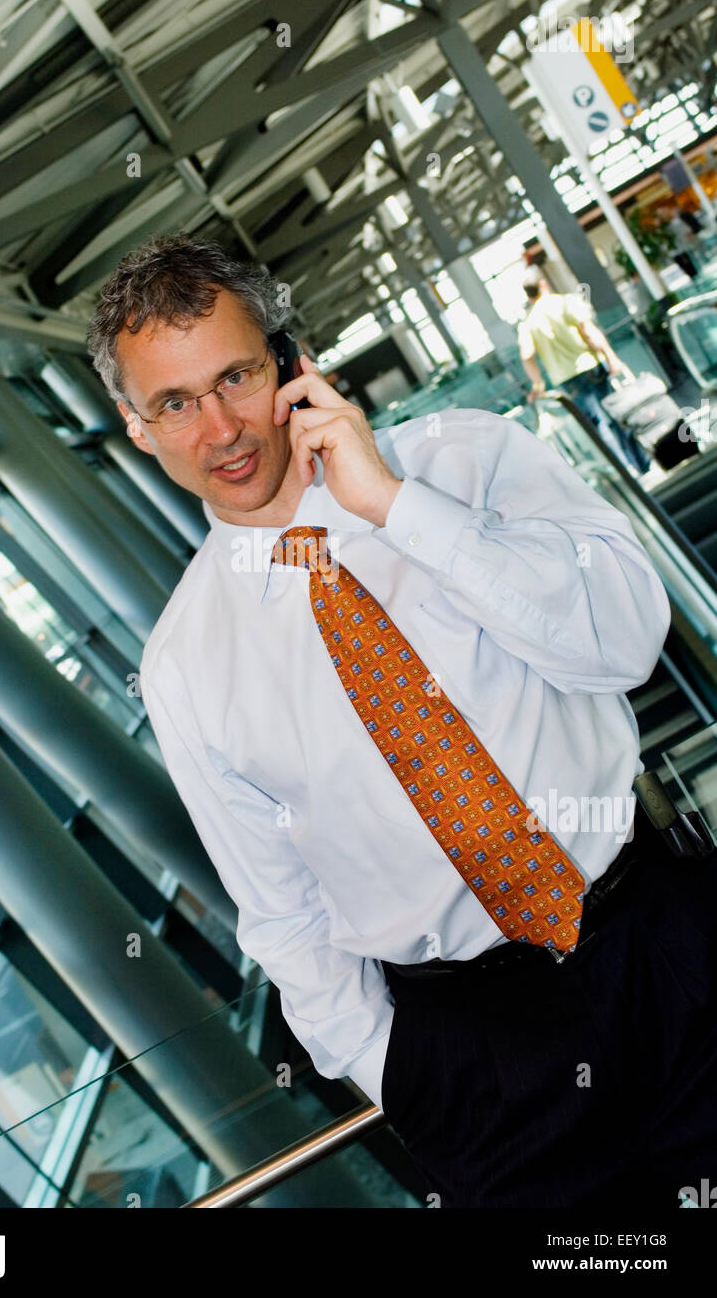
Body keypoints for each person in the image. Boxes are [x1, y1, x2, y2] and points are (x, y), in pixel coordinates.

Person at [86, 234, 717, 1209]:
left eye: (235, 376)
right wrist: (402, 1075)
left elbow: (625, 642)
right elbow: (283, 913)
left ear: (290, 363)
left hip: (660, 942)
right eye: (175, 403)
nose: (219, 429)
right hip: (478, 1064)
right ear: (136, 427)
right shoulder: (183, 666)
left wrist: (394, 507)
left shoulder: (464, 458)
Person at [517, 271, 651, 474]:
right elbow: (589, 332)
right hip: (591, 366)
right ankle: (642, 464)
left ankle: (626, 472)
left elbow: (527, 355)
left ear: (528, 295)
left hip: (567, 379)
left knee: (596, 426)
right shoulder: (565, 302)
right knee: (617, 414)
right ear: (543, 284)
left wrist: (538, 384)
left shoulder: (529, 323)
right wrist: (611, 357)